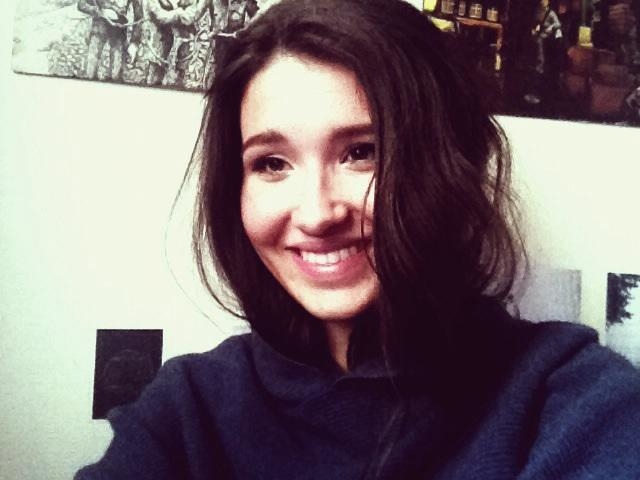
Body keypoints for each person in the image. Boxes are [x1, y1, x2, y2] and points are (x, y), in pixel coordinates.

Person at [75, 0, 640, 478]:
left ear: (454, 163)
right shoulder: (186, 412)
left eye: (362, 153)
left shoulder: (574, 401)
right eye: (271, 163)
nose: (318, 214)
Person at [77, 0, 143, 81]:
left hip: (119, 34)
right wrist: (98, 12)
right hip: (98, 31)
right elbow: (81, 4)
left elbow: (139, 18)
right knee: (90, 73)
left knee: (115, 75)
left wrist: (134, 43)